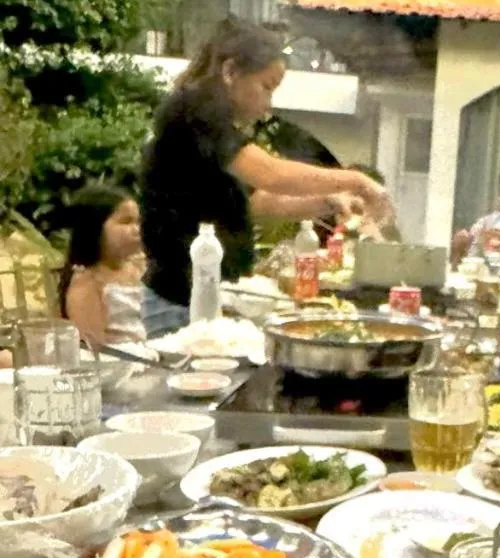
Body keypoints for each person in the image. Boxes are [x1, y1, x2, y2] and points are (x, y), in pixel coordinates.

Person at [140, 18, 391, 336]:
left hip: (206, 297)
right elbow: (271, 174)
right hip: (179, 301)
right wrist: (356, 180)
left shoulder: (213, 127)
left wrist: (327, 201)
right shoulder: (194, 111)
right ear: (230, 72)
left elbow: (258, 202)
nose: (268, 105)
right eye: (266, 87)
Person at [59, 185, 146, 346]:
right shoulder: (87, 282)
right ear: (94, 228)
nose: (137, 230)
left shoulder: (141, 268)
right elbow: (94, 348)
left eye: (138, 222)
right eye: (126, 222)